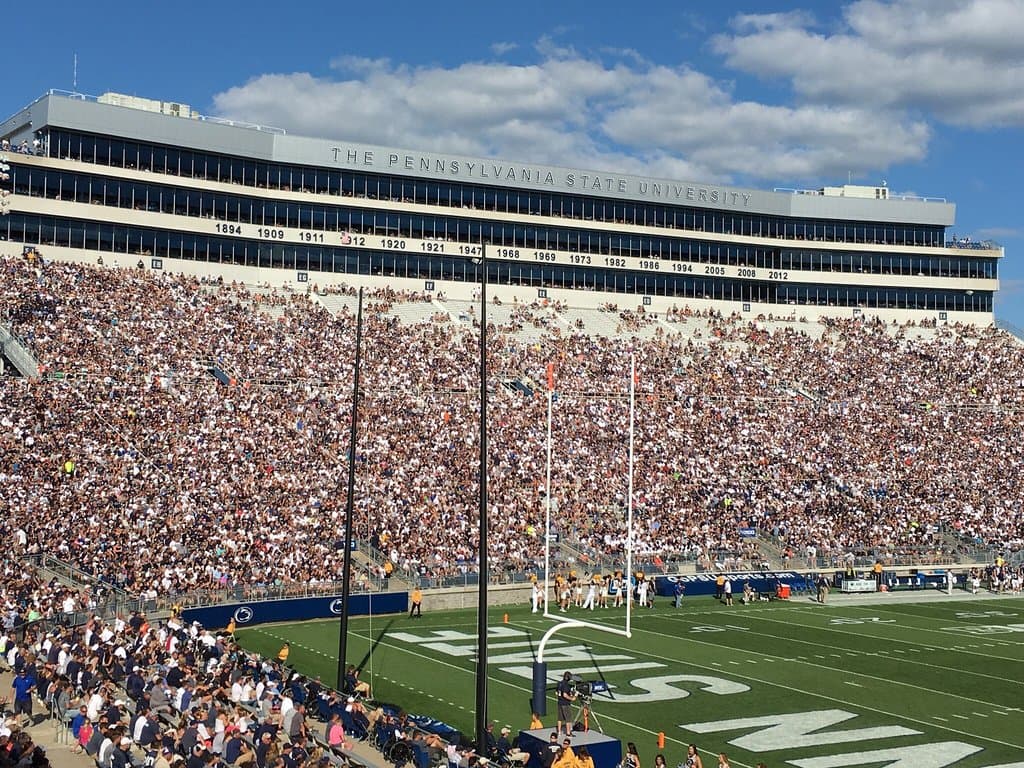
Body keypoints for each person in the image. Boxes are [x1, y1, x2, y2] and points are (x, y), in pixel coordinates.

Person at [555, 672, 576, 738]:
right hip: (565, 703)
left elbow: (556, 692)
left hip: (559, 703)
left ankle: (559, 732)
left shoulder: (559, 683)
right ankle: (568, 733)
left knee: (560, 718)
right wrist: (571, 698)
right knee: (568, 719)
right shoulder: (566, 685)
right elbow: (565, 694)